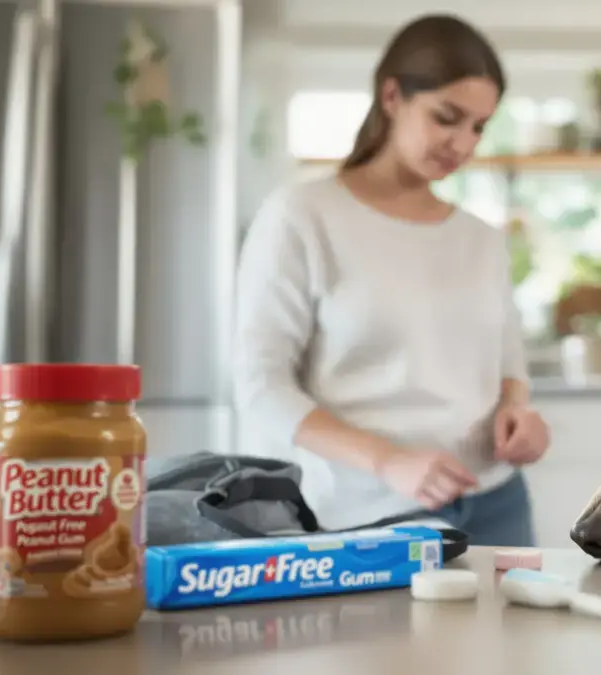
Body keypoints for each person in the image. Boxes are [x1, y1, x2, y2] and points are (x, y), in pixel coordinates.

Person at [232, 14, 550, 546]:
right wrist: (387, 461)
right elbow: (261, 386)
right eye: (446, 117)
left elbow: (508, 364)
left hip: (497, 503)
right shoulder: (301, 217)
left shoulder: (481, 239)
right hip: (365, 513)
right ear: (392, 96)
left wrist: (518, 411)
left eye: (478, 127)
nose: (462, 143)